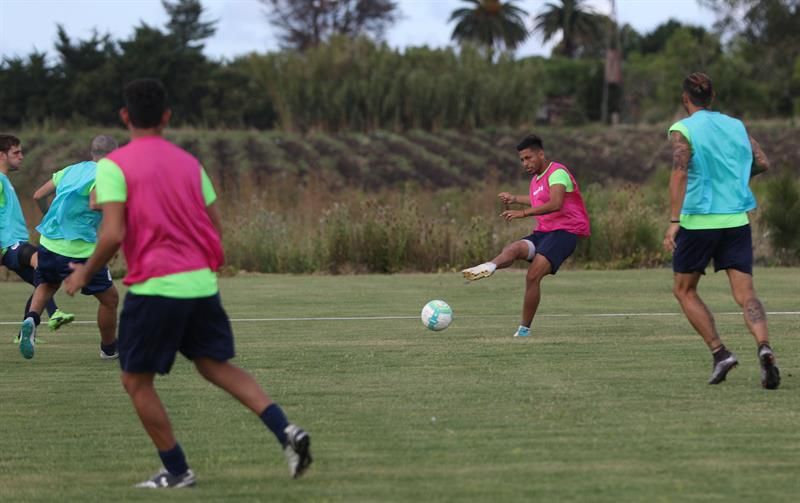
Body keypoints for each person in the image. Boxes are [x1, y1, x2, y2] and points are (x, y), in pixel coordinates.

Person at [63, 78, 312, 488]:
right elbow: (215, 227)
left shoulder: (113, 166)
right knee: (215, 366)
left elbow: (111, 234)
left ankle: (177, 470)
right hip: (199, 283)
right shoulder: (188, 163)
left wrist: (83, 273)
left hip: (156, 287)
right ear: (166, 117)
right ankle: (287, 431)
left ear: (126, 117)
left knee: (135, 380)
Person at [663, 72, 779, 389]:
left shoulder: (683, 129)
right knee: (746, 295)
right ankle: (764, 346)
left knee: (684, 290)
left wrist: (674, 221)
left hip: (698, 221)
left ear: (686, 99)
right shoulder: (736, 126)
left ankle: (720, 352)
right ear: (712, 98)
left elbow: (679, 173)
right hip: (736, 221)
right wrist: (735, 180)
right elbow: (763, 162)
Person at [461, 134, 591, 337]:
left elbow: (555, 203)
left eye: (528, 158)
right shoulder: (536, 181)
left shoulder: (557, 172)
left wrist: (522, 213)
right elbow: (536, 199)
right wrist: (514, 199)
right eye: (522, 160)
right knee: (513, 249)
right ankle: (489, 266)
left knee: (532, 276)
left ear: (541, 154)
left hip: (565, 232)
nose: (525, 163)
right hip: (544, 233)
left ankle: (523, 330)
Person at [17, 134, 120, 360]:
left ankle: (31, 319)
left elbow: (37, 195)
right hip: (80, 249)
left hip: (49, 242)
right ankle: (109, 349)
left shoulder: (72, 170)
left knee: (46, 284)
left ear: (92, 153)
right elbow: (95, 202)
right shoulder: (107, 173)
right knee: (110, 300)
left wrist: (50, 216)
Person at [0, 134, 74, 334]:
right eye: (16, 152)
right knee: (43, 263)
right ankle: (55, 313)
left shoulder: (5, 180)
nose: (21, 156)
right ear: (1, 156)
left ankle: (25, 331)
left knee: (44, 281)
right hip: (10, 245)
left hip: (15, 244)